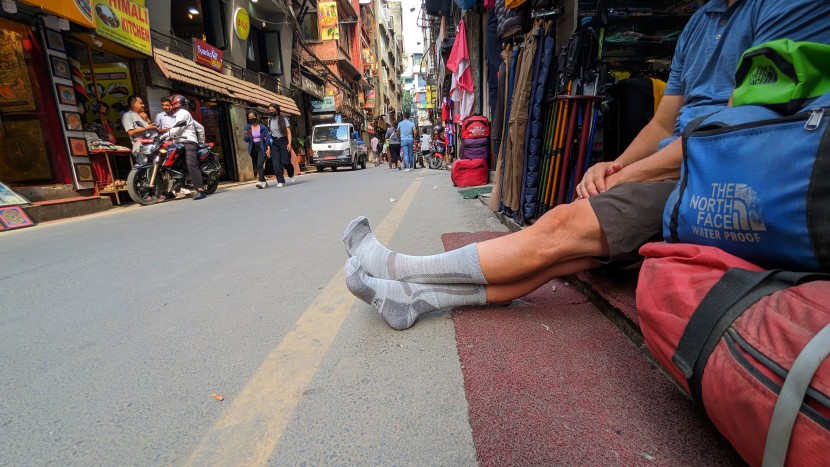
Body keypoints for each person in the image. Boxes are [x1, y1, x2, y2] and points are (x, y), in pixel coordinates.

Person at [343, 0, 830, 330]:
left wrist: (630, 175)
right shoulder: (700, 22)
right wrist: (614, 165)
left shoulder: (790, 7)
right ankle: (415, 299)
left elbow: (748, 132)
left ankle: (397, 266)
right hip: (682, 162)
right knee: (565, 252)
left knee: (560, 225)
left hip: (732, 172)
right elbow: (664, 125)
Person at [168, 94, 208, 200]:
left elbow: (176, 129)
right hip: (178, 143)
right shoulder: (177, 115)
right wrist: (201, 141)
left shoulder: (183, 113)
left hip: (188, 141)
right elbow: (200, 128)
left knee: (191, 164)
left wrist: (200, 142)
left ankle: (200, 190)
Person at [266, 103, 294, 187]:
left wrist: (289, 143)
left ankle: (291, 173)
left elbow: (288, 132)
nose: (271, 112)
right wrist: (268, 144)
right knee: (276, 163)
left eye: (273, 110)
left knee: (286, 161)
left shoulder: (284, 119)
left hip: (283, 140)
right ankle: (281, 181)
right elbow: (270, 132)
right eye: (270, 110)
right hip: (274, 142)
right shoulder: (269, 120)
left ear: (277, 110)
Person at [244, 109, 272, 189]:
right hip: (253, 148)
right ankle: (264, 182)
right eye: (250, 117)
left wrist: (268, 148)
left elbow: (267, 138)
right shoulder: (248, 127)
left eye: (253, 116)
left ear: (256, 117)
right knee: (257, 165)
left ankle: (260, 181)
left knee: (260, 164)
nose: (251, 118)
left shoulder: (262, 127)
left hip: (261, 147)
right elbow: (246, 139)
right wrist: (247, 134)